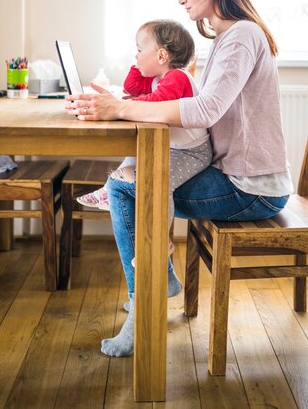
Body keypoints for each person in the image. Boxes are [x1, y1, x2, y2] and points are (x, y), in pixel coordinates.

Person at [65, 0, 294, 358]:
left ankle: (143, 303)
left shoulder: (242, 35)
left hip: (251, 188)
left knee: (126, 187)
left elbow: (204, 110)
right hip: (239, 177)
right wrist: (122, 102)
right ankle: (155, 285)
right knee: (131, 181)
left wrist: (120, 107)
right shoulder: (230, 38)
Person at [76, 19, 213, 263]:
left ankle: (161, 243)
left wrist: (123, 105)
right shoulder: (161, 78)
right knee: (136, 149)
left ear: (161, 55)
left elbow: (154, 103)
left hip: (191, 153)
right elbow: (133, 87)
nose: (136, 55)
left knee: (160, 183)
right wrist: (139, 64)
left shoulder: (178, 78)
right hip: (175, 147)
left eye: (139, 50)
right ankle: (109, 190)